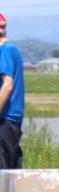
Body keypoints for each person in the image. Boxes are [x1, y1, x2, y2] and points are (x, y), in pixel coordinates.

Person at [0, 13, 26, 170]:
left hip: (4, 120)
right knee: (11, 176)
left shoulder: (4, 50)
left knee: (2, 177)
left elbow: (7, 85)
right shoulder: (13, 50)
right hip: (12, 122)